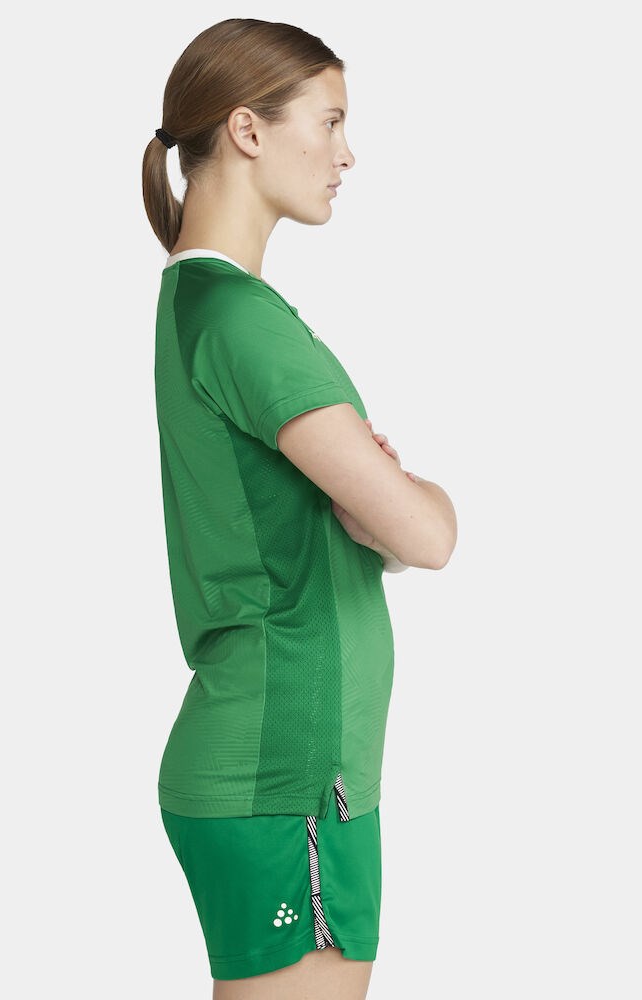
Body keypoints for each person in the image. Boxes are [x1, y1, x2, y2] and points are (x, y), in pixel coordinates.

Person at [141, 18, 457, 1000]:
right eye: (329, 121)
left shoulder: (210, 306)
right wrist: (410, 503)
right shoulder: (244, 321)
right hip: (287, 781)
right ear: (247, 129)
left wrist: (388, 512)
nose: (346, 153)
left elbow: (383, 524)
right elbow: (427, 535)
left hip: (292, 777)